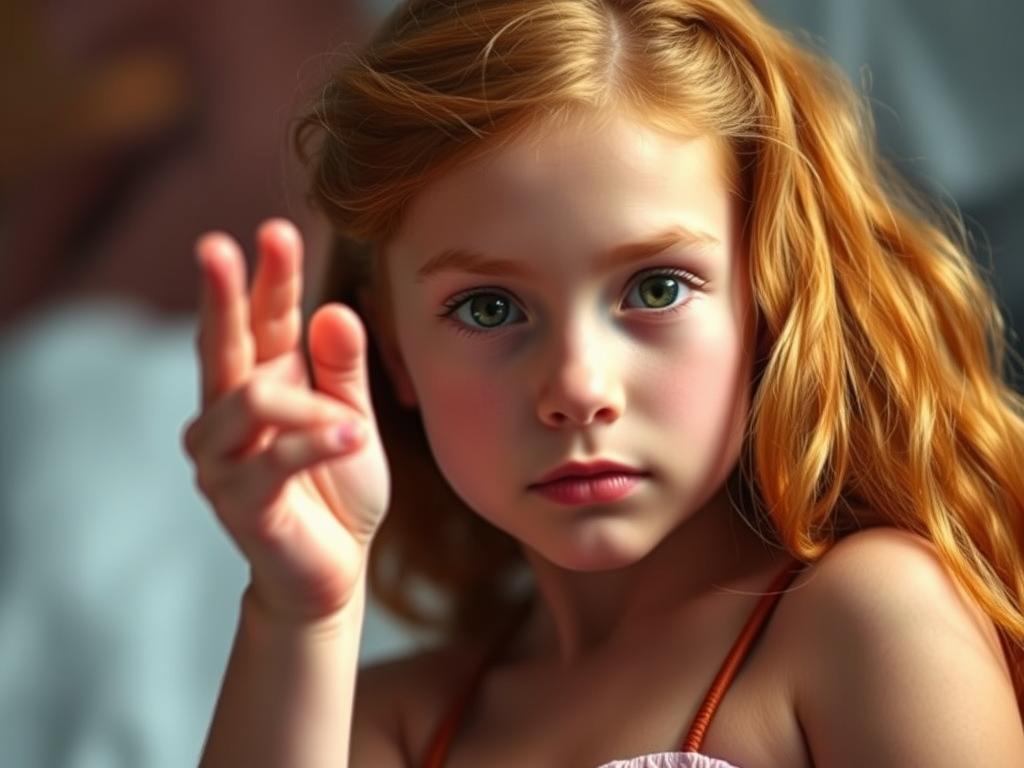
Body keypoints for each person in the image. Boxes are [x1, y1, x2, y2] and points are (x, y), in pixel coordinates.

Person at [182, 0, 1024, 765]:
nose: (578, 389)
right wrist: (298, 613)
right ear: (394, 355)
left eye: (656, 289)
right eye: (486, 307)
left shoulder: (866, 620)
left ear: (770, 307)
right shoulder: (382, 726)